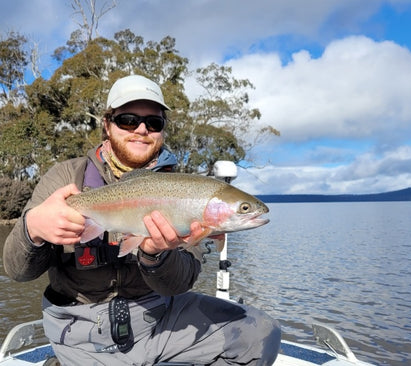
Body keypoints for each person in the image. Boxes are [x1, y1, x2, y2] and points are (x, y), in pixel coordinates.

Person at [3, 74, 281, 366]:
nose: (141, 129)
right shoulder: (64, 179)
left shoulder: (186, 188)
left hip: (159, 317)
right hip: (81, 329)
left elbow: (179, 283)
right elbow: (17, 271)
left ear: (162, 131)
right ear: (107, 125)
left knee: (261, 334)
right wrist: (32, 229)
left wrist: (153, 255)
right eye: (127, 119)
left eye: (154, 123)